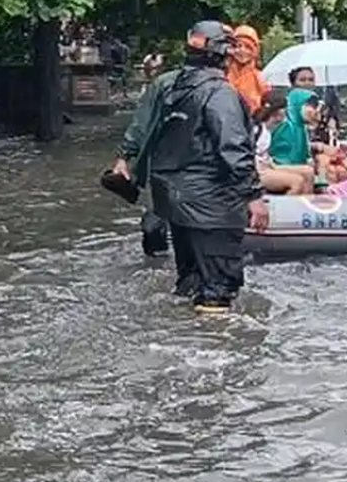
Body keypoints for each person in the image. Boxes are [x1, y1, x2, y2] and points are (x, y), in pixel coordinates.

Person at [111, 21, 269, 313]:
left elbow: (141, 125)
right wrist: (254, 196)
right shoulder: (220, 94)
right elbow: (233, 149)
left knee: (190, 278)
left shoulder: (167, 83)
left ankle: (182, 331)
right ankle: (213, 347)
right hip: (211, 205)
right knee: (219, 287)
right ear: (224, 52)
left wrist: (124, 156)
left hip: (173, 199)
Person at [253, 90, 313, 195]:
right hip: (257, 171)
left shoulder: (272, 128)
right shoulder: (256, 129)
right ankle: (286, 209)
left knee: (308, 172)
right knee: (297, 181)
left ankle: (305, 207)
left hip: (269, 165)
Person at [227, 24, 270, 114]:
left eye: (248, 47)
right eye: (238, 46)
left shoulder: (260, 78)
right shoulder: (222, 74)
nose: (242, 50)